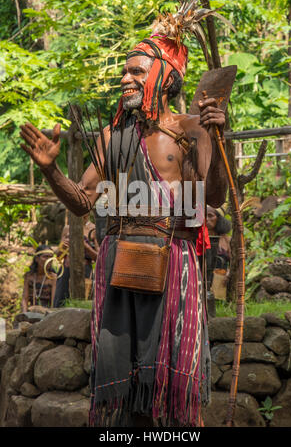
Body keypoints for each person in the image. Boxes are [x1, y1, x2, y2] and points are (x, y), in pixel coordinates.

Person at [19, 29, 228, 426]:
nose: (125, 79)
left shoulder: (192, 129)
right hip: (118, 267)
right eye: (124, 72)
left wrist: (217, 140)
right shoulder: (112, 137)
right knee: (124, 389)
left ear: (165, 78)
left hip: (173, 266)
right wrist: (51, 171)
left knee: (172, 391)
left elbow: (214, 196)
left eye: (136, 71)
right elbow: (82, 202)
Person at [54, 213, 99, 307]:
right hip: (65, 269)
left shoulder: (94, 229)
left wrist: (86, 247)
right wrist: (63, 245)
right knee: (60, 300)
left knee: (82, 301)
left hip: (85, 270)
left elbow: (98, 257)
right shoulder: (67, 228)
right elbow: (58, 256)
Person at [21, 245, 57, 312]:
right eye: (45, 257)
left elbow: (53, 302)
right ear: (37, 259)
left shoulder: (53, 277)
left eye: (50, 257)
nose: (49, 260)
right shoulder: (29, 276)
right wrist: (24, 314)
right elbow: (24, 299)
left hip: (46, 313)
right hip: (30, 312)